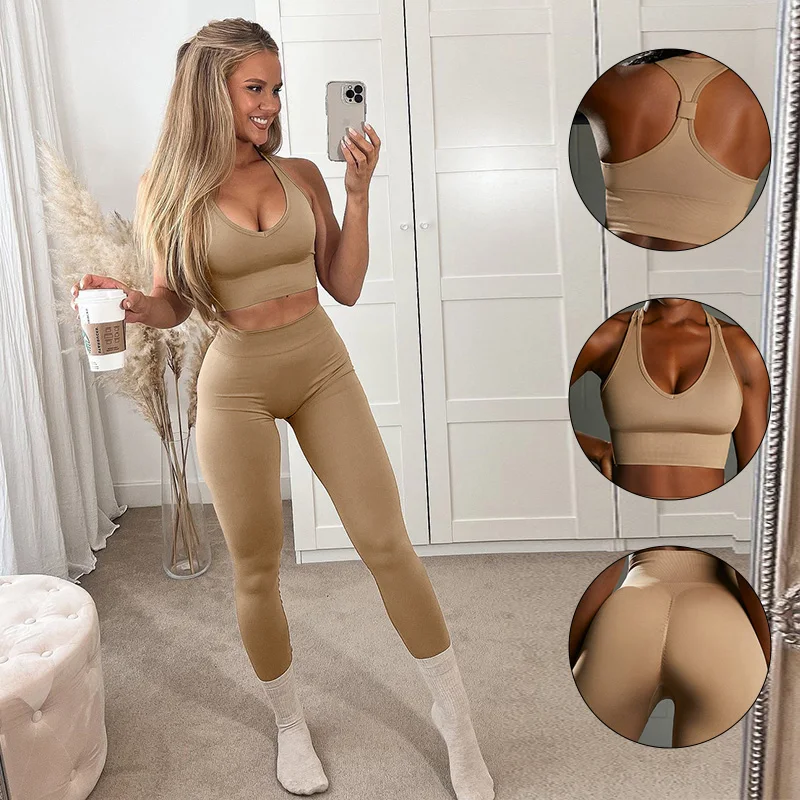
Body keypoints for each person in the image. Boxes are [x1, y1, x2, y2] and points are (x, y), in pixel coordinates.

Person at [70, 17, 493, 800]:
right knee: (257, 569)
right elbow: (171, 305)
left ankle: (455, 718)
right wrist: (129, 303)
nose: (270, 104)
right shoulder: (167, 187)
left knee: (386, 542)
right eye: (255, 88)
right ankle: (290, 723)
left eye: (276, 89)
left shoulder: (300, 174)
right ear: (212, 92)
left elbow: (345, 285)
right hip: (236, 384)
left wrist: (358, 193)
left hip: (321, 366)